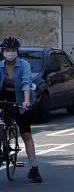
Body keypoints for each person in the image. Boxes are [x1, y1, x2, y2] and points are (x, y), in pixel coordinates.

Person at [0, 36, 42, 183]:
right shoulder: (0, 66)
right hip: (3, 101)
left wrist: (25, 101)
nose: (10, 52)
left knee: (26, 134)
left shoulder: (24, 65)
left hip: (21, 102)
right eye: (7, 50)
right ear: (2, 52)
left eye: (12, 50)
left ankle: (34, 168)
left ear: (17, 51)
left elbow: (26, 83)